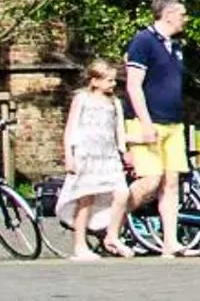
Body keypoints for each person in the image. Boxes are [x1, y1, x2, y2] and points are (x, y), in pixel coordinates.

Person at [123, 0, 193, 256]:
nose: (185, 19)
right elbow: (133, 85)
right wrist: (145, 122)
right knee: (150, 182)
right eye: (182, 14)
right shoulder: (143, 41)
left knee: (172, 183)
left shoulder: (175, 47)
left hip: (173, 123)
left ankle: (170, 242)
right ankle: (110, 223)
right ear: (167, 15)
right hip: (149, 123)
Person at [58, 60, 131, 260]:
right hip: (87, 154)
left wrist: (124, 150)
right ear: (95, 81)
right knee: (86, 198)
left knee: (122, 193)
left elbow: (119, 130)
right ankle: (79, 245)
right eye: (109, 80)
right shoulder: (82, 99)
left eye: (114, 81)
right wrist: (69, 156)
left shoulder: (114, 103)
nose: (113, 84)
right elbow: (71, 128)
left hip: (108, 155)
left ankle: (112, 235)